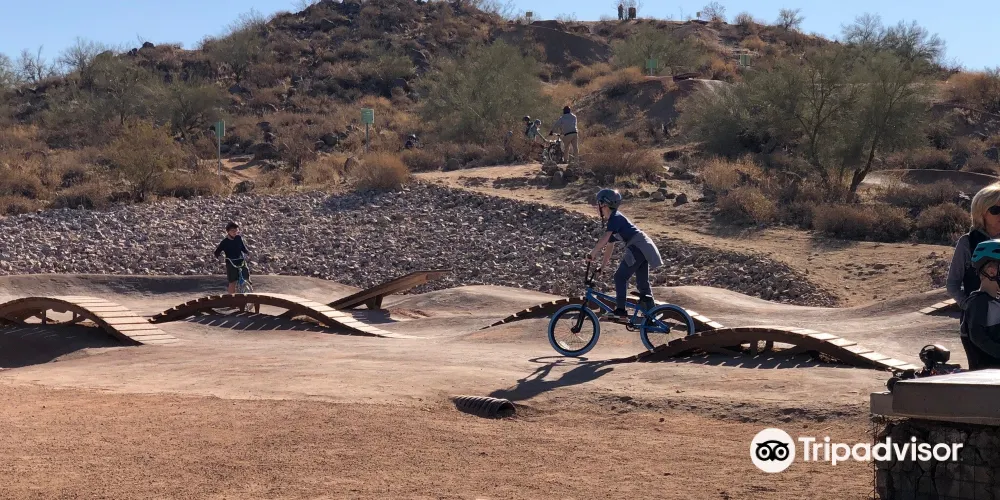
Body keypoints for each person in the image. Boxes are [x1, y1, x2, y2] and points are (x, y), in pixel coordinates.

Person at [587, 188, 663, 320]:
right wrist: (602, 267)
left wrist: (592, 253)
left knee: (620, 277)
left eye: (598, 204)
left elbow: (605, 238)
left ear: (605, 204)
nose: (597, 207)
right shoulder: (615, 220)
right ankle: (652, 316)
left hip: (637, 246)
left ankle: (621, 310)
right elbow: (609, 246)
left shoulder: (615, 217)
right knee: (642, 283)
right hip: (644, 247)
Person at [947, 182, 1000, 310]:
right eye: (996, 210)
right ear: (981, 212)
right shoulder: (967, 242)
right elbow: (953, 284)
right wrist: (968, 305)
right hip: (978, 318)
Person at [960, 239, 1000, 370]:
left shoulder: (995, 301)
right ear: (992, 271)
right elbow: (978, 337)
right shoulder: (978, 303)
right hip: (987, 377)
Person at [214, 221, 251, 294]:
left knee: (246, 277)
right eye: (233, 231)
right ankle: (231, 298)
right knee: (232, 281)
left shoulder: (239, 238)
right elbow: (216, 252)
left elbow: (243, 248)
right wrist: (220, 257)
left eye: (236, 230)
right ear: (228, 231)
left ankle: (248, 292)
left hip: (240, 260)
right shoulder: (225, 242)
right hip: (231, 262)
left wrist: (248, 252)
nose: (235, 232)